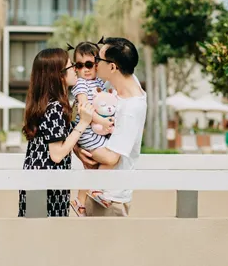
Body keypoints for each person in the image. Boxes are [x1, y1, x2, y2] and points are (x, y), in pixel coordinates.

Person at [73, 37, 147, 217]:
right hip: (98, 191)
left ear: (113, 67)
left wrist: (79, 146)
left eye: (98, 59)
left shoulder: (131, 109)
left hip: (110, 197)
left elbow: (112, 157)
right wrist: (77, 148)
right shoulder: (115, 84)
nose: (95, 63)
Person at [18, 48, 94, 217]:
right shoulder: (55, 108)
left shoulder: (45, 104)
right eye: (71, 66)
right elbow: (57, 154)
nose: (76, 69)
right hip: (47, 186)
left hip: (37, 183)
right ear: (57, 75)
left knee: (34, 235)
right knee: (47, 236)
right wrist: (83, 123)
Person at [68, 42, 118, 217]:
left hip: (97, 131)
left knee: (91, 169)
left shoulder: (100, 82)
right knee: (110, 159)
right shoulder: (81, 85)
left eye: (89, 64)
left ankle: (80, 202)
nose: (85, 69)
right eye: (79, 65)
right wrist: (102, 122)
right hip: (88, 134)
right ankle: (97, 189)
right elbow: (84, 108)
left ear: (97, 64)